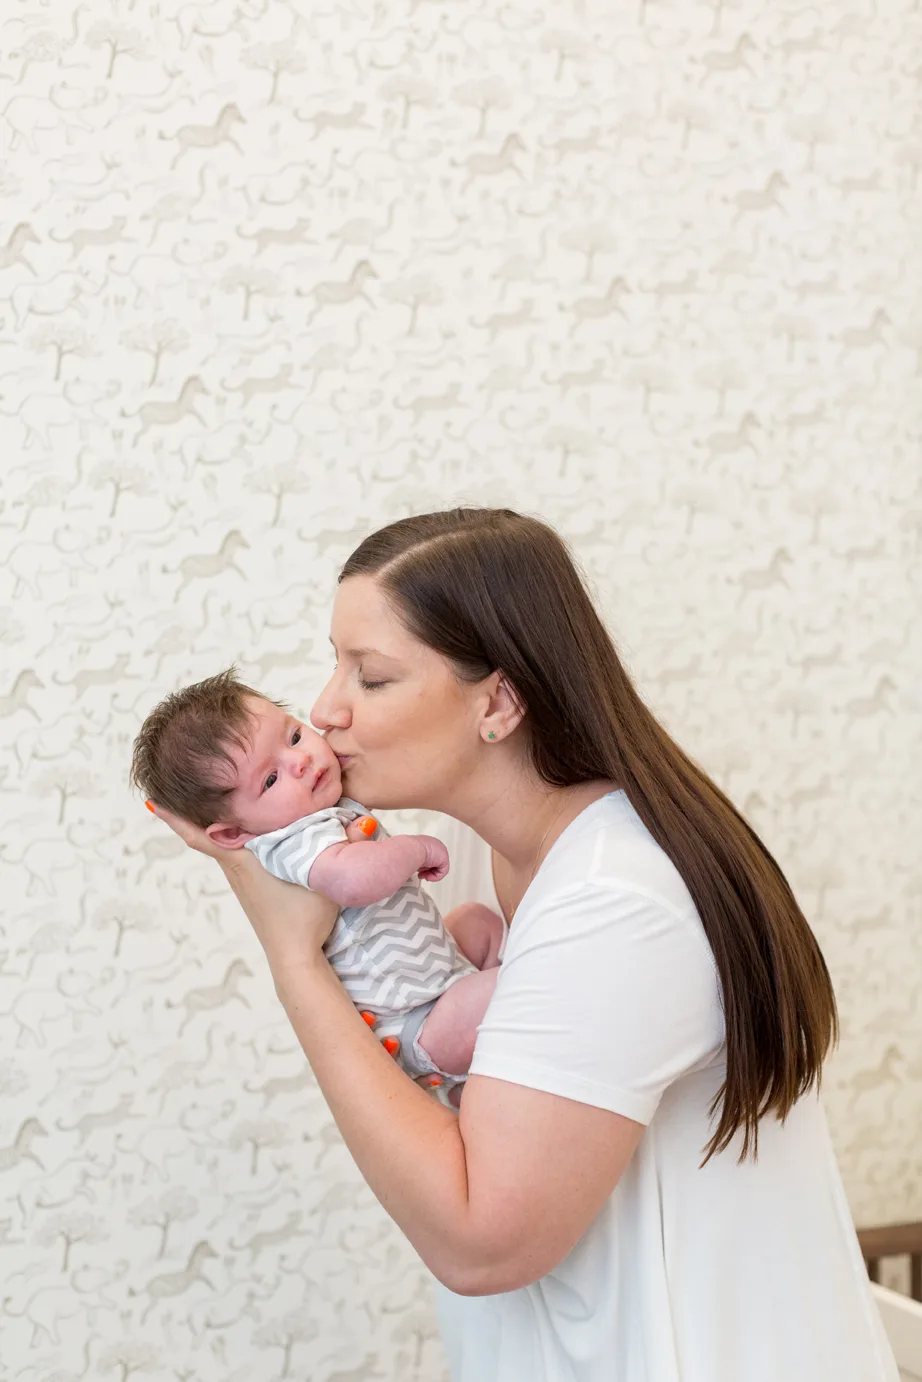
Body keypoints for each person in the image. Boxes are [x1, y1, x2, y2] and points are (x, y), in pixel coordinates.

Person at [147, 507, 899, 1382]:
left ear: (498, 702)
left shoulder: (614, 898)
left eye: (373, 676)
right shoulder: (469, 857)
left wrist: (292, 962)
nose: (325, 709)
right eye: (332, 661)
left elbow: (480, 1243)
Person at [128, 669, 505, 1103]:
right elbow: (353, 879)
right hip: (418, 1021)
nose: (300, 761)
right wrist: (417, 849)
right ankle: (477, 1064)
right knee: (511, 987)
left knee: (478, 921)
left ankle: (487, 1054)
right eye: (270, 780)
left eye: (291, 737)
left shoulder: (323, 807)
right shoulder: (291, 841)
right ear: (233, 835)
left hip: (438, 976)